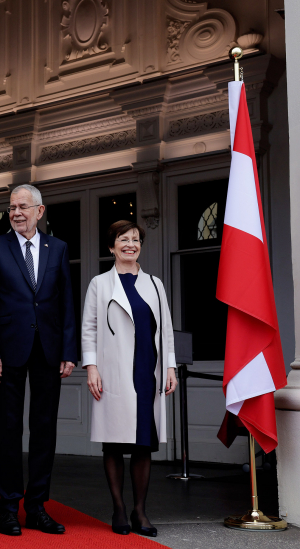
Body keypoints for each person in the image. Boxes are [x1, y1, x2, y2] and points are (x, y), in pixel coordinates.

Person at [0, 184, 77, 536]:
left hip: (49, 351)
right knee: (6, 430)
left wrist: (69, 350)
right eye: (11, 208)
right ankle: (8, 507)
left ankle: (36, 507)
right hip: (7, 352)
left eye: (23, 207)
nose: (16, 213)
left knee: (44, 430)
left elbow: (67, 301)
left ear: (40, 211)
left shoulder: (59, 248)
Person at [81, 220, 177, 537]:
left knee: (142, 445)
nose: (130, 244)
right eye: (123, 239)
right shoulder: (99, 284)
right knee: (113, 443)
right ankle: (119, 509)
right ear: (112, 246)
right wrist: (91, 367)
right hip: (112, 371)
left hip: (147, 369)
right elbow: (90, 328)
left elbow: (165, 330)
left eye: (136, 239)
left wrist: (170, 367)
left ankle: (140, 511)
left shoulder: (155, 284)